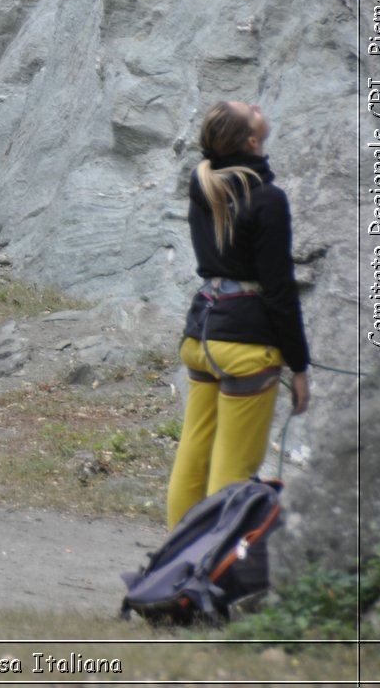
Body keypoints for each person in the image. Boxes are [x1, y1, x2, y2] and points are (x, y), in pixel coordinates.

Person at [165, 100, 310, 530]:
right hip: (246, 346)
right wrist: (299, 366)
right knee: (232, 470)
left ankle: (176, 565)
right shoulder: (267, 200)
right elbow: (280, 291)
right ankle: (211, 577)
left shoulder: (203, 182)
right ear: (251, 139)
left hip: (201, 335)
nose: (258, 104)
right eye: (250, 109)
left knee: (193, 455)